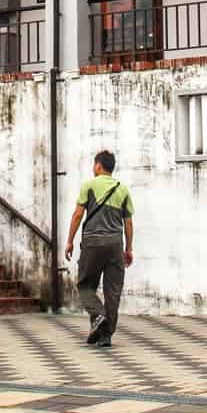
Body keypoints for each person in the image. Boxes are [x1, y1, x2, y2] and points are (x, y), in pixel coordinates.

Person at [63, 149, 134, 348]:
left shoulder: (89, 185)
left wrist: (69, 241)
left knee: (85, 285)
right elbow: (128, 223)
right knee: (113, 291)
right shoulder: (123, 189)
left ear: (98, 166)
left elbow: (77, 215)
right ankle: (105, 335)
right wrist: (128, 249)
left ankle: (99, 316)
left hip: (92, 244)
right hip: (115, 245)